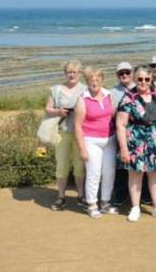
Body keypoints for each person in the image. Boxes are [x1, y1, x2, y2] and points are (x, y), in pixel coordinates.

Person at [115, 66, 156, 222]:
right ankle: (135, 207)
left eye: (147, 79)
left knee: (155, 173)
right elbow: (120, 124)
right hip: (136, 142)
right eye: (140, 79)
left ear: (150, 80)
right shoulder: (129, 97)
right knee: (135, 174)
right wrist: (123, 149)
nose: (143, 82)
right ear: (135, 79)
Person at [73, 68, 117, 218]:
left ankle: (105, 203)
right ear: (87, 82)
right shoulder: (82, 99)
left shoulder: (108, 95)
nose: (95, 82)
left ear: (102, 81)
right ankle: (91, 204)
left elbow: (113, 116)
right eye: (92, 80)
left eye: (98, 80)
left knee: (109, 172)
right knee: (94, 173)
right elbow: (78, 125)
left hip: (110, 140)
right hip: (91, 140)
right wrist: (82, 149)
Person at [46, 60, 88, 211]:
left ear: (80, 74)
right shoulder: (56, 89)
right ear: (65, 73)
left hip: (81, 134)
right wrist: (58, 111)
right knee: (61, 165)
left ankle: (81, 195)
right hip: (62, 133)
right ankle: (61, 197)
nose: (71, 74)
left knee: (80, 166)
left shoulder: (86, 89)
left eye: (74, 72)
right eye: (69, 72)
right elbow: (48, 109)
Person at [109, 62, 134, 206]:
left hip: (137, 132)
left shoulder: (139, 88)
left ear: (132, 73)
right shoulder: (112, 92)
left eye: (127, 72)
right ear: (117, 75)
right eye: (121, 73)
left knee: (138, 163)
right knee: (120, 163)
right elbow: (111, 113)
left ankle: (140, 194)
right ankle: (120, 194)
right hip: (120, 131)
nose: (124, 75)